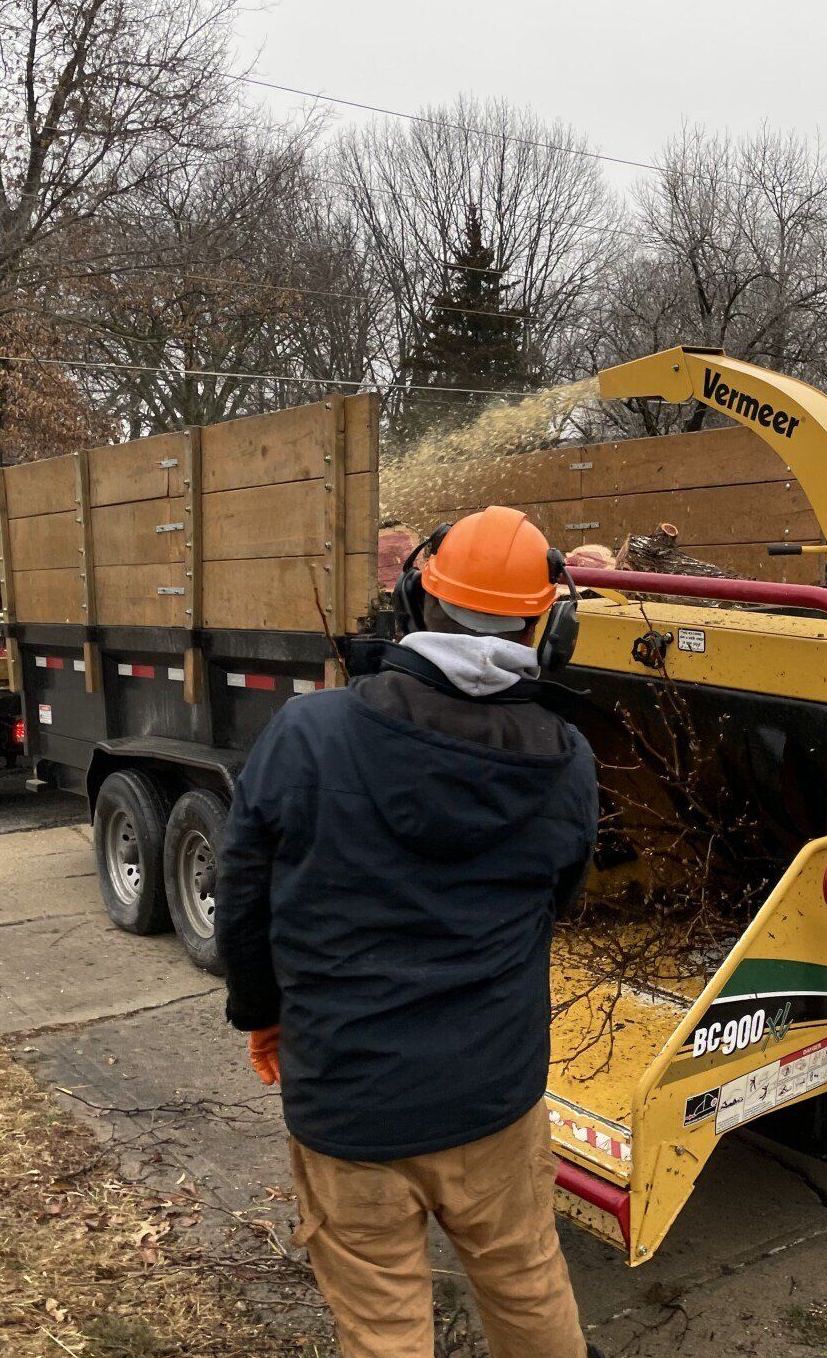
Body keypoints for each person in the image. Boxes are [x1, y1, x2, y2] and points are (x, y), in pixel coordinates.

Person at [216, 505, 599, 1358]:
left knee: (384, 1329)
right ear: (551, 624)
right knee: (528, 1282)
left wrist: (262, 1015)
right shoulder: (568, 759)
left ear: (415, 598)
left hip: (349, 1096)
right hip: (495, 1095)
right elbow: (555, 904)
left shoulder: (310, 732)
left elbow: (243, 899)